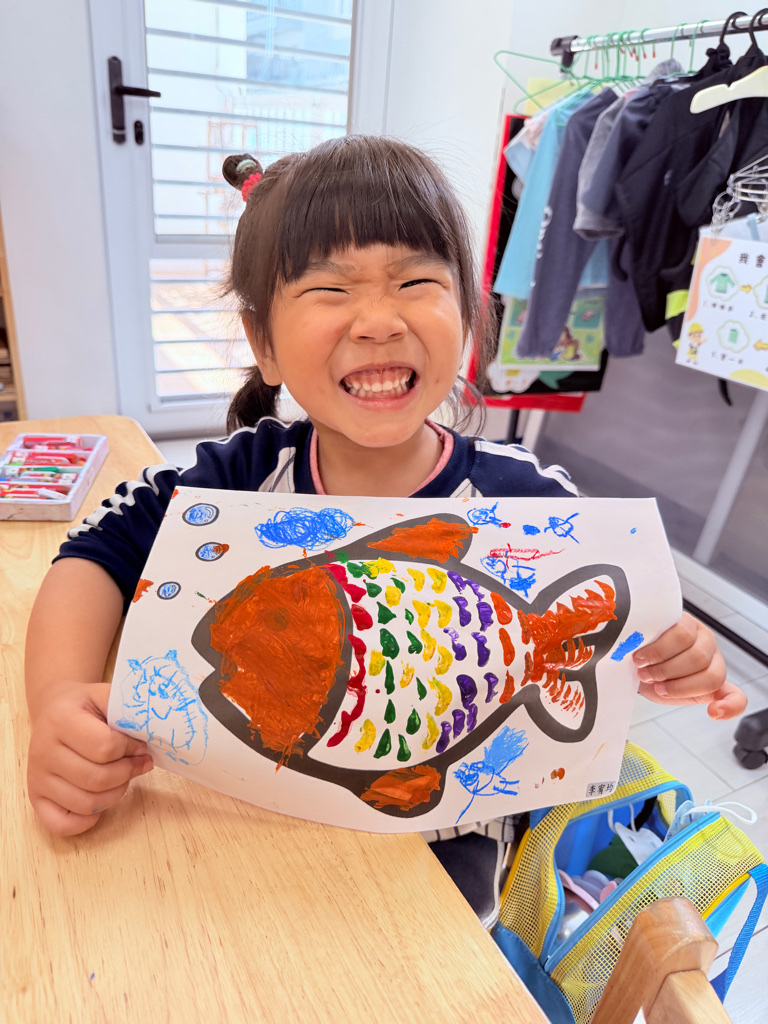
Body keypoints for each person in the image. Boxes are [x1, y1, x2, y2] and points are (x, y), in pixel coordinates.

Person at [25, 136, 745, 925]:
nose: (377, 320)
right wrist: (59, 707)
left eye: (414, 281)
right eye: (330, 289)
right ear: (264, 344)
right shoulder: (235, 477)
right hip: (235, 849)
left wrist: (672, 652)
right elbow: (95, 551)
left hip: (440, 895)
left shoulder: (535, 506)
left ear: (468, 318)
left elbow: (627, 634)